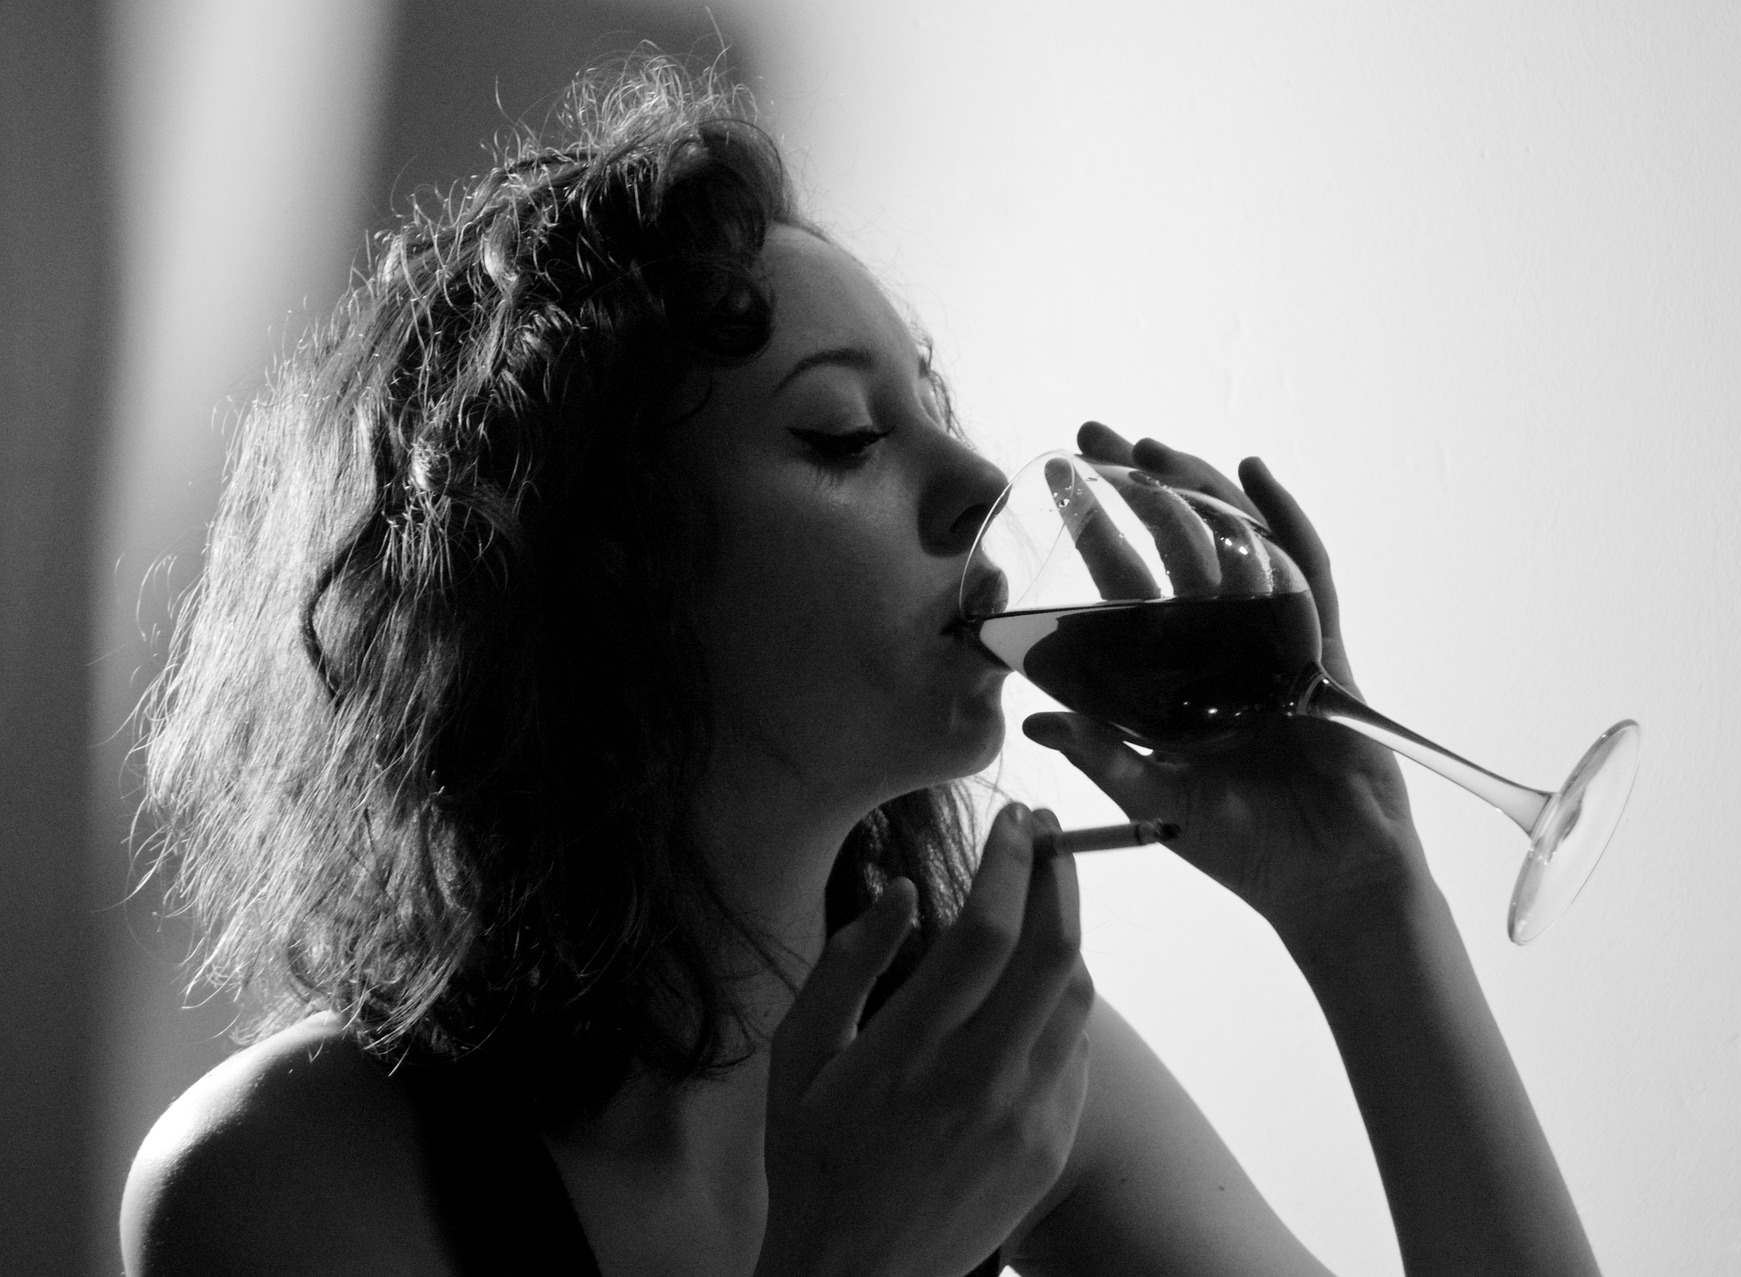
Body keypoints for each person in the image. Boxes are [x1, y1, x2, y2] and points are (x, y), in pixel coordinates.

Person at [120, 60, 1601, 1277]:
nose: (974, 481)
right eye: (841, 436)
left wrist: (1370, 907)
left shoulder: (998, 1077)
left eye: (934, 410)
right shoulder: (278, 1181)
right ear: (597, 580)